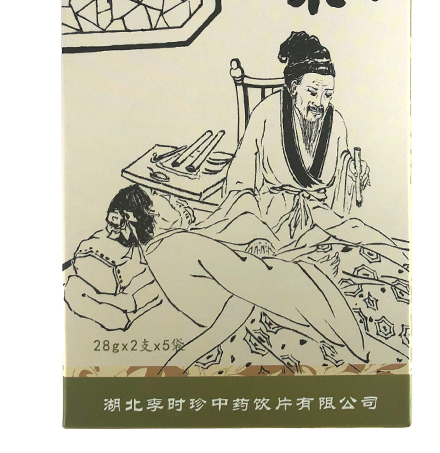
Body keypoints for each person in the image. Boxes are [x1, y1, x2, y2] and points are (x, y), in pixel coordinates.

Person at [64, 185, 369, 371]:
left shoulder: (161, 252)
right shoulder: (178, 246)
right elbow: (249, 289)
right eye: (160, 198)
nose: (171, 200)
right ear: (147, 215)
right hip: (257, 311)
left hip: (247, 297)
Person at [193, 31, 370, 255]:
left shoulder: (336, 122)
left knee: (367, 245)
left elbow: (342, 171)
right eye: (312, 92)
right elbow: (240, 181)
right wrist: (255, 233)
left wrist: (354, 172)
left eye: (327, 95)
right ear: (294, 88)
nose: (320, 103)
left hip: (319, 217)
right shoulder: (266, 113)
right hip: (270, 218)